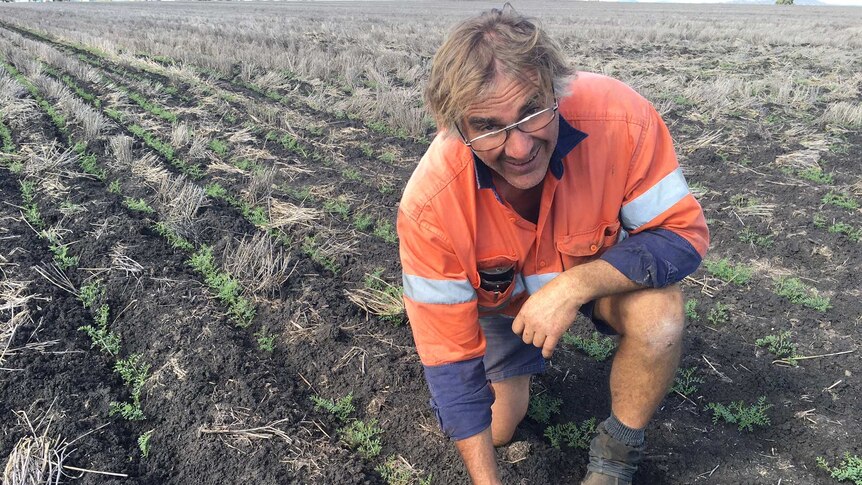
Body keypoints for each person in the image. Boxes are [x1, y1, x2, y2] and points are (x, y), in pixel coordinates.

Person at [397, 5, 709, 485]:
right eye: (488, 126)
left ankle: (614, 459)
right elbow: (450, 361)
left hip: (599, 274)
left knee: (660, 316)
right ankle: (517, 372)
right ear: (458, 128)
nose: (519, 148)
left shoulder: (620, 120)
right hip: (501, 311)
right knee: (499, 430)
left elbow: (682, 236)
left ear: (555, 89)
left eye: (531, 112)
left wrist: (572, 286)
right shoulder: (430, 207)